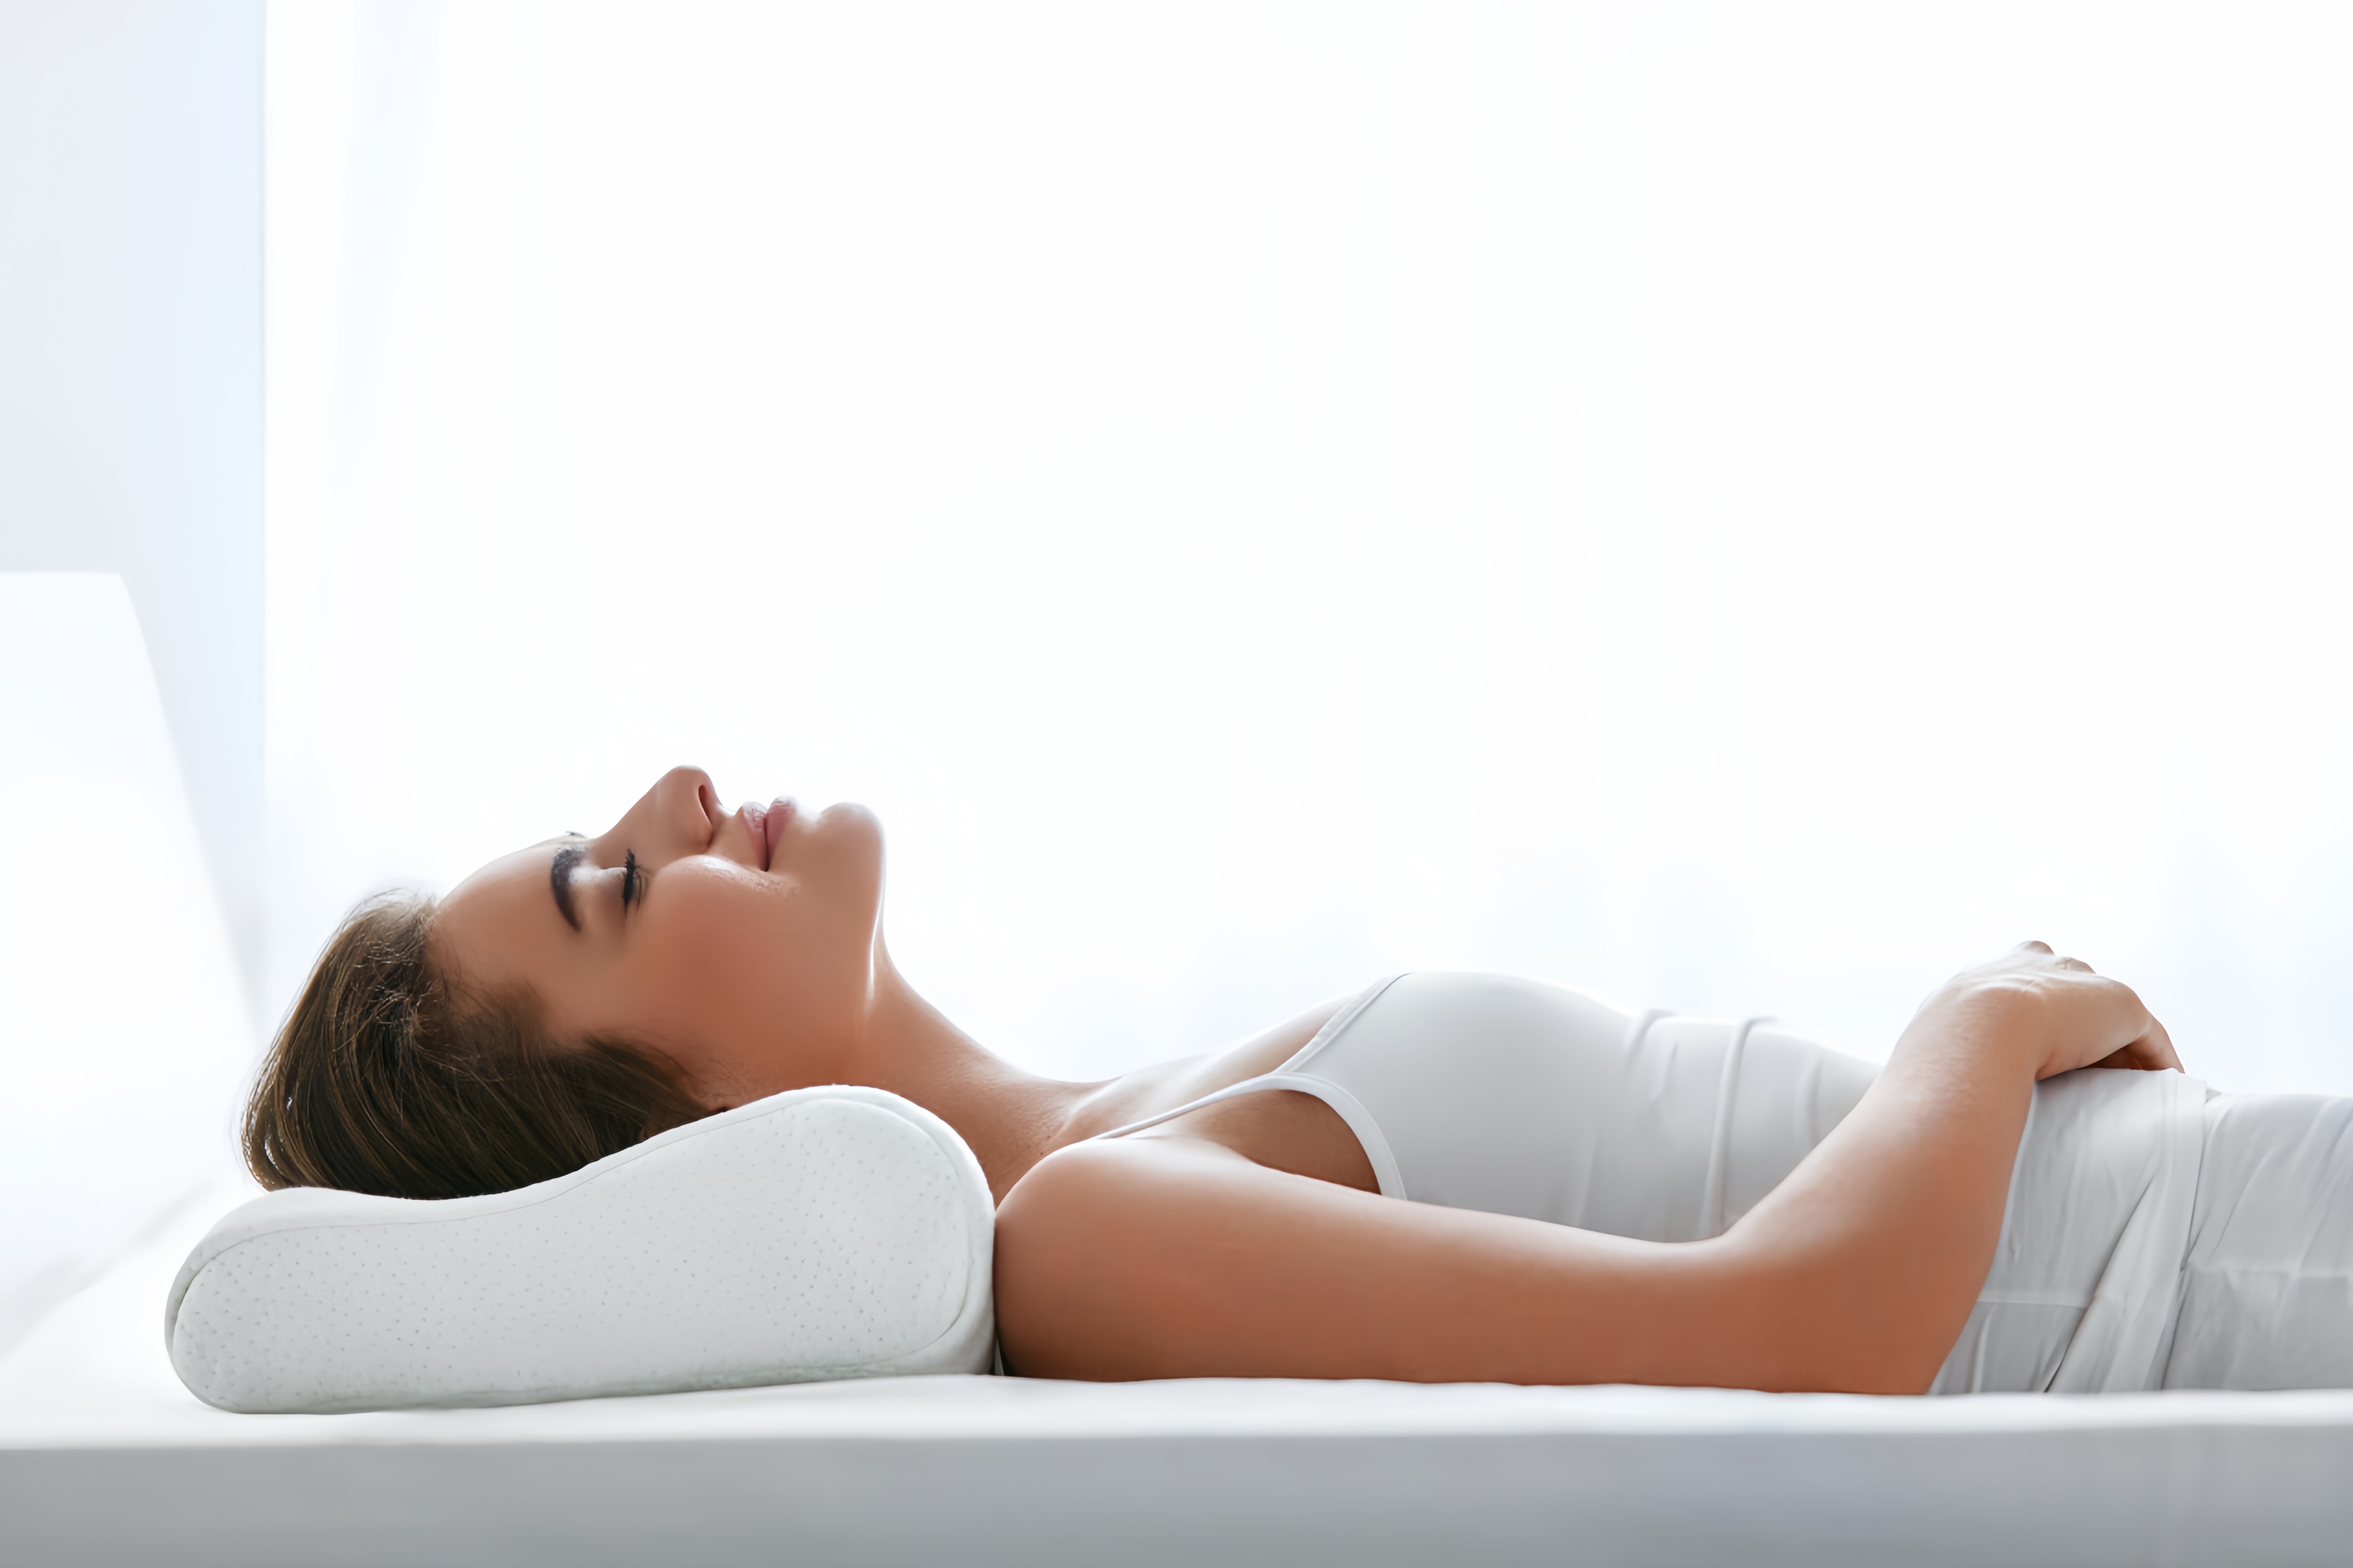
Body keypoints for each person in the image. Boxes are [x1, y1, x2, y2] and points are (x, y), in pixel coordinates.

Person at [244, 766, 2353, 1394]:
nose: (680, 791)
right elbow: (1790, 1350)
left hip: (2233, 1221)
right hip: (2237, 1287)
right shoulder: (1087, 1231)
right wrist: (1976, 1023)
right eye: (615, 885)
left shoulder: (1120, 1137)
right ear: (666, 1133)